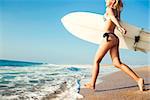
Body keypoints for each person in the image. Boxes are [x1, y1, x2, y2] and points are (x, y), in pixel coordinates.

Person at [84, 0, 144, 91]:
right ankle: (138, 79)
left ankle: (92, 84)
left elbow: (112, 17)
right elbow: (115, 18)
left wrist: (120, 27)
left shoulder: (109, 9)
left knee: (96, 61)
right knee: (117, 63)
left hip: (108, 37)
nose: (105, 1)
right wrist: (119, 26)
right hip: (115, 38)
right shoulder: (118, 11)